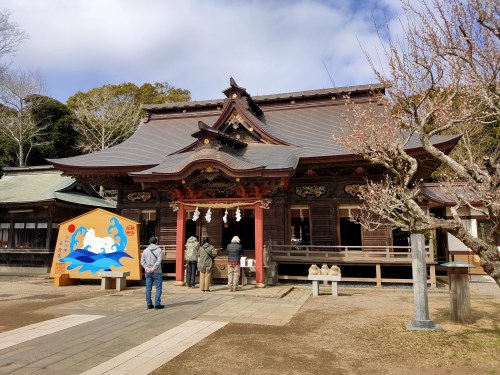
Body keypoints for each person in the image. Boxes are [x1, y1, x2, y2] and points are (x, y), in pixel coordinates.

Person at [140, 236, 164, 309]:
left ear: (149, 242)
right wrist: (153, 268)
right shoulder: (159, 250)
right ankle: (157, 304)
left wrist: (147, 268)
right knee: (158, 288)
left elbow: (142, 261)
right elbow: (159, 261)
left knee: (148, 288)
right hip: (157, 271)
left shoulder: (145, 250)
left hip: (148, 272)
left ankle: (149, 304)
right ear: (156, 242)